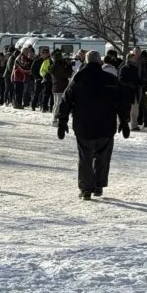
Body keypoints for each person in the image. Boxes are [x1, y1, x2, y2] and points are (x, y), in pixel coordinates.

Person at [57, 50, 133, 200]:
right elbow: (122, 101)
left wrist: (62, 121)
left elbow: (66, 100)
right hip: (106, 125)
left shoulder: (78, 79)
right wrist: (124, 121)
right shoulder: (110, 79)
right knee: (103, 157)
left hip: (84, 125)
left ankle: (86, 189)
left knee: (85, 157)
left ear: (85, 61)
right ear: (100, 62)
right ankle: (98, 185)